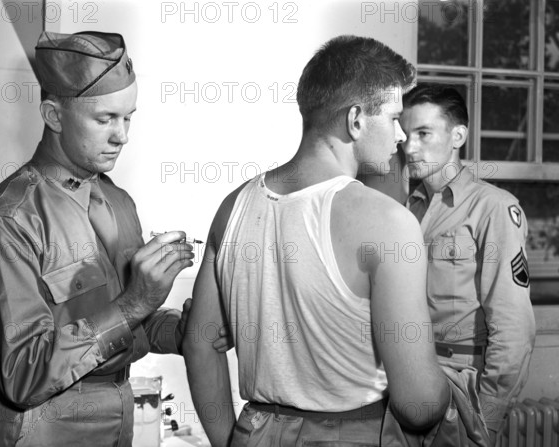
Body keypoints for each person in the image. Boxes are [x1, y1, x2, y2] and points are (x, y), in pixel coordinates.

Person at [183, 36, 450, 446]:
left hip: (255, 429)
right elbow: (417, 405)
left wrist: (231, 440)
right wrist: (450, 391)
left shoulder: (232, 206)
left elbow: (200, 345)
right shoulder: (388, 222)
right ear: (356, 120)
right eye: (394, 117)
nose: (400, 135)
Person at [0, 31, 195, 446]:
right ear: (53, 116)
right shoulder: (10, 222)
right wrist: (137, 301)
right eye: (105, 119)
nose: (122, 135)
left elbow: (125, 319)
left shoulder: (118, 201)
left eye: (128, 117)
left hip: (119, 416)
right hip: (41, 428)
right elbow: (21, 374)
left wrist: (181, 331)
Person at [399, 84, 536, 445]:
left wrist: (488, 417)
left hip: (462, 387)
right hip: (405, 378)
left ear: (457, 135)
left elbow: (514, 325)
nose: (409, 147)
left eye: (423, 133)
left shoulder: (493, 208)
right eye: (404, 134)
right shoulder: (405, 211)